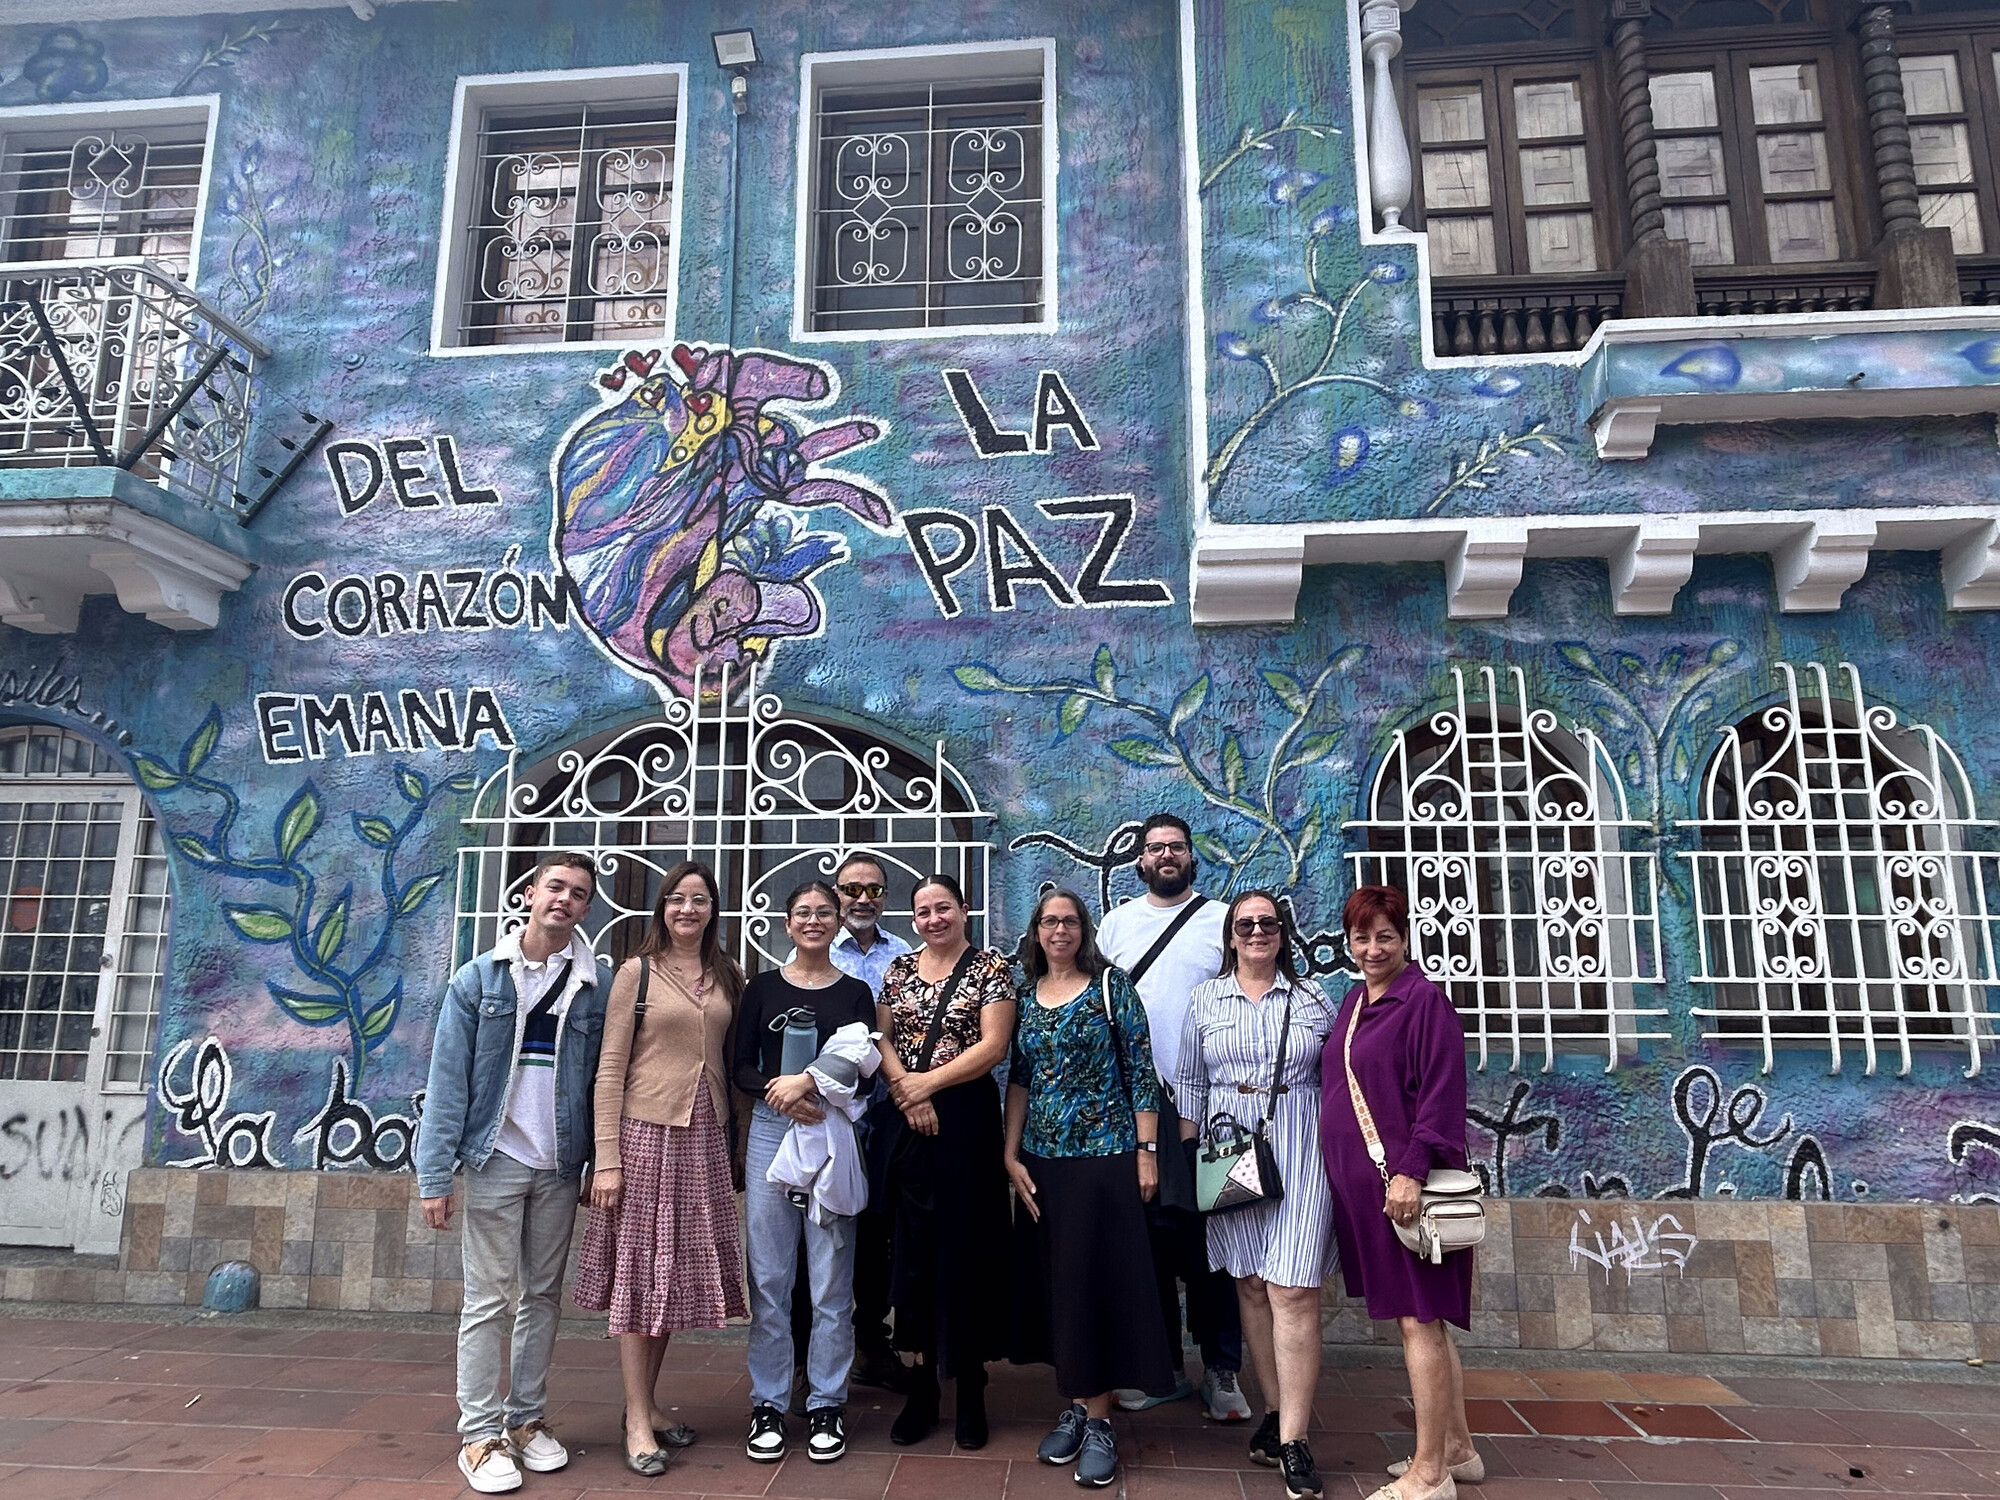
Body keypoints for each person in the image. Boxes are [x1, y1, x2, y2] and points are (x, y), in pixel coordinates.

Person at [416, 852, 610, 1496]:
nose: (565, 900)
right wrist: (434, 1175)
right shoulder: (479, 981)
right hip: (495, 1159)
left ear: (587, 908)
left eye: (579, 894)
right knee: (488, 1298)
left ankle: (526, 1420)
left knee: (542, 1296)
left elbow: (600, 1080)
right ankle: (479, 1434)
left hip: (558, 1163)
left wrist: (593, 1159)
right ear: (530, 893)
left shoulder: (595, 984)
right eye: (555, 887)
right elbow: (448, 1082)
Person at [574, 860, 747, 1476]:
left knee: (670, 1281)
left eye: (699, 900)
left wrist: (738, 1145)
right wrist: (608, 1159)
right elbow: (610, 1069)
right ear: (662, 909)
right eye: (676, 899)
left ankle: (643, 1405)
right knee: (640, 1275)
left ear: (712, 910)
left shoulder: (729, 975)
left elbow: (735, 1062)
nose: (687, 910)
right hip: (645, 1137)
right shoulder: (635, 972)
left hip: (704, 1139)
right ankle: (637, 1420)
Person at [1005, 888, 1174, 1488]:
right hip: (1044, 1163)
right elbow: (1020, 1080)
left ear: (1084, 931)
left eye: (1069, 922)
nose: (1059, 931)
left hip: (1105, 1160)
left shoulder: (1111, 988)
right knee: (1061, 1285)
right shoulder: (1024, 997)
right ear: (1035, 932)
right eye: (1049, 922)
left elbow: (1141, 1070)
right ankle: (1078, 1406)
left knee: (1097, 1283)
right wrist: (1009, 1152)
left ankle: (1100, 1421)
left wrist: (1146, 1153)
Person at [1173, 891, 1339, 1500]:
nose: (1257, 932)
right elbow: (1189, 1078)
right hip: (1228, 1148)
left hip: (1298, 1147)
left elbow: (1338, 1077)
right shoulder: (1205, 999)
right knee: (1249, 1283)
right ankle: (1275, 1411)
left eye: (1268, 923)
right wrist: (1194, 1155)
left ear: (1282, 932)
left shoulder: (1312, 998)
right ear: (1231, 935)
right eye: (1246, 924)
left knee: (1293, 1288)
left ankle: (1294, 1440)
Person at [1321, 886, 1478, 1500]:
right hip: (1370, 1192)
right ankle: (1458, 1448)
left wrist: (1412, 1171)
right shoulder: (1357, 1002)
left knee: (1421, 1322)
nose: (1372, 948)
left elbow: (1441, 1099)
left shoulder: (1424, 1002)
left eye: (1385, 936)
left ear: (1406, 939)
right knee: (1419, 1321)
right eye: (1361, 937)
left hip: (1403, 1189)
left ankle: (1429, 1473)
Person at [1094, 813, 1249, 1423]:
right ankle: (1161, 1370)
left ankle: (1222, 1370)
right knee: (1149, 1240)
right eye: (1155, 848)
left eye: (1176, 848)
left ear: (1192, 856)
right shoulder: (1117, 924)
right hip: (1139, 1106)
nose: (1166, 856)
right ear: (1139, 860)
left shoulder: (1224, 921)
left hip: (1216, 1110)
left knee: (1217, 1238)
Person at [734, 879, 878, 1466]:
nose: (814, 920)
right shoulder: (762, 988)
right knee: (769, 1278)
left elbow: (868, 1071)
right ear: (787, 925)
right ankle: (767, 1402)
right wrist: (781, 1095)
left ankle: (826, 1404)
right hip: (771, 1130)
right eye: (803, 913)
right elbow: (740, 1063)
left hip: (833, 1134)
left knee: (831, 1280)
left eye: (824, 912)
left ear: (837, 921)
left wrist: (812, 1087)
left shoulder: (856, 992)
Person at [875, 872, 1017, 1448]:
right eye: (923, 911)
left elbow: (993, 1047)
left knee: (965, 1250)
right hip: (909, 1121)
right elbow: (879, 1036)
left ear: (963, 910)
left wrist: (925, 1086)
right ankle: (922, 1389)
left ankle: (971, 1387)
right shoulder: (899, 970)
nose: (934, 919)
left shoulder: (990, 968)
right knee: (913, 1253)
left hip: (966, 1122)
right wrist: (906, 1089)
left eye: (944, 908)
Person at [826, 852, 914, 1391]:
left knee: (881, 1232)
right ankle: (811, 1355)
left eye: (875, 890)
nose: (863, 899)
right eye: (852, 889)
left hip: (887, 1112)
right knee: (827, 1231)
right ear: (837, 894)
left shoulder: (904, 955)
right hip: (827, 1116)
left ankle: (872, 1344)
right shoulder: (817, 946)